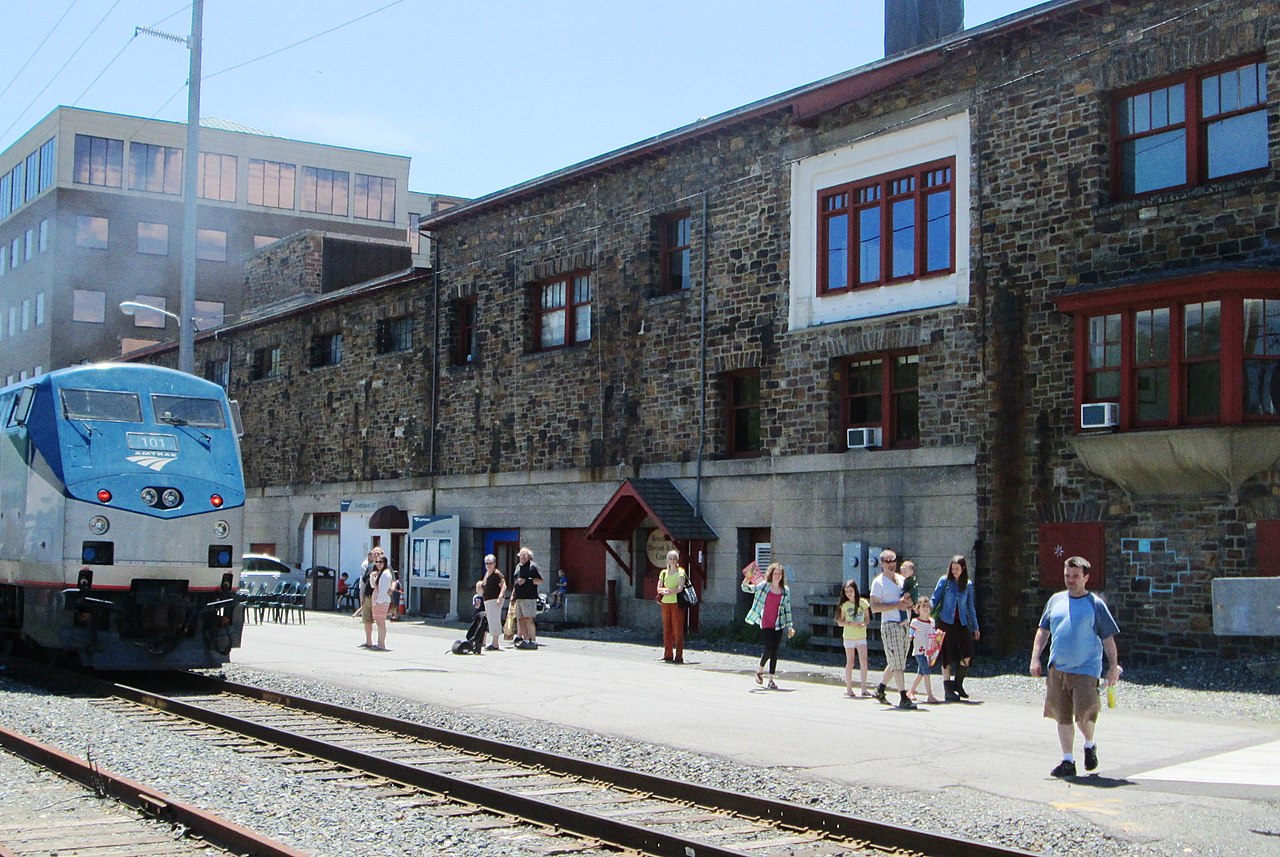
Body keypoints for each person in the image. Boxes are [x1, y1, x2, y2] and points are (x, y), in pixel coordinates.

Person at [1030, 556, 1122, 778]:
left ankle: (1089, 744)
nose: (1070, 580)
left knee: (1084, 715)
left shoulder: (1095, 605)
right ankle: (1067, 760)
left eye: (1075, 576)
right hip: (1058, 669)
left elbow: (1108, 638)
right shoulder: (1055, 601)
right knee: (1062, 716)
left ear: (1086, 578)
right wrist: (1035, 658)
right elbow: (1043, 631)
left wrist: (1112, 666)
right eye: (1067, 576)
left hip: (1086, 669)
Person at [870, 549, 916, 710]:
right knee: (898, 663)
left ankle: (880, 689)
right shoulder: (878, 582)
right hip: (891, 624)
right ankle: (903, 696)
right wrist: (895, 605)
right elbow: (874, 607)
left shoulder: (902, 580)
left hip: (905, 624)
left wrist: (911, 603)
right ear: (881, 563)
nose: (891, 564)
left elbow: (910, 598)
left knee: (897, 660)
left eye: (893, 560)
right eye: (887, 561)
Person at [931, 554, 981, 701]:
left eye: (957, 569)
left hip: (962, 623)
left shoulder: (968, 585)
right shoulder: (944, 581)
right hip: (945, 622)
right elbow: (935, 598)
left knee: (967, 653)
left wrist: (975, 627)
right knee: (946, 655)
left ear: (963, 568)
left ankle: (958, 684)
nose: (954, 571)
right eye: (952, 569)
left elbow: (970, 607)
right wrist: (926, 610)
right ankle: (948, 689)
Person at [742, 561, 795, 689]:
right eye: (775, 573)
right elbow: (747, 588)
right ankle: (760, 671)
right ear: (771, 574)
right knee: (769, 648)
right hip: (766, 621)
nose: (777, 576)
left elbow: (787, 609)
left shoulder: (785, 591)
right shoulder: (764, 586)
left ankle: (771, 680)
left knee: (775, 651)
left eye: (779, 574)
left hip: (779, 622)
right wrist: (746, 579)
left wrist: (790, 626)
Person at [835, 579, 871, 697]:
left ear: (855, 590)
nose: (849, 593)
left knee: (863, 661)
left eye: (851, 590)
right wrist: (850, 623)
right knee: (850, 662)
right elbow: (840, 622)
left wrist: (863, 624)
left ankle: (864, 688)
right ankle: (849, 688)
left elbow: (867, 618)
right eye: (846, 591)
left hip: (861, 636)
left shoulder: (863, 603)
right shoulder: (844, 605)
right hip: (849, 636)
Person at [908, 599, 943, 704]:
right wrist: (910, 637)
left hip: (928, 652)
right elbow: (911, 633)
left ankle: (911, 691)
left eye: (927, 606)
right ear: (918, 609)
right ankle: (930, 696)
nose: (926, 609)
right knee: (926, 671)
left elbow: (933, 634)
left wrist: (938, 634)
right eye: (923, 606)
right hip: (919, 651)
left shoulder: (932, 621)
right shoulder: (915, 622)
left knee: (921, 672)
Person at [656, 550, 687, 664]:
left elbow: (680, 588)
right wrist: (664, 591)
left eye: (674, 558)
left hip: (676, 603)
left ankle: (679, 656)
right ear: (667, 560)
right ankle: (667, 654)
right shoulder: (663, 573)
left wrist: (670, 591)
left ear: (677, 560)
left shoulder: (681, 572)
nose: (672, 560)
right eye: (670, 558)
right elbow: (658, 588)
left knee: (677, 629)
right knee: (667, 629)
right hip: (665, 603)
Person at [511, 547, 543, 649]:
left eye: (524, 556)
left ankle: (533, 641)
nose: (522, 557)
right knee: (520, 620)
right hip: (519, 597)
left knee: (529, 619)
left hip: (529, 597)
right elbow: (515, 581)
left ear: (529, 557)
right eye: (520, 556)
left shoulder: (533, 567)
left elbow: (540, 580)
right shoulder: (518, 567)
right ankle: (525, 640)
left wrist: (527, 581)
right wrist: (513, 595)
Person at [480, 554, 506, 651]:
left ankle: (495, 643)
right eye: (486, 563)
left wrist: (499, 597)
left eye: (490, 563)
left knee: (494, 619)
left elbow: (503, 586)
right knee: (490, 620)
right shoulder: (487, 573)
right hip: (488, 600)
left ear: (494, 563)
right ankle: (491, 642)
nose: (488, 565)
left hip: (495, 600)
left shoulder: (497, 574)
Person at [368, 553, 393, 650]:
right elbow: (373, 586)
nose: (378, 564)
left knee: (381, 622)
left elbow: (383, 590)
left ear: (385, 563)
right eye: (376, 562)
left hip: (382, 601)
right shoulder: (380, 573)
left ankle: (381, 644)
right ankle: (379, 642)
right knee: (378, 622)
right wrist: (372, 576)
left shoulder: (386, 574)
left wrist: (378, 601)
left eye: (380, 562)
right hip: (378, 600)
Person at [355, 563, 375, 648]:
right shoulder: (369, 567)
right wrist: (362, 596)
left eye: (379, 554)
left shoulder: (386, 568)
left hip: (378, 599)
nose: (376, 556)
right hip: (367, 597)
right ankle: (368, 641)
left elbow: (392, 581)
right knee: (367, 620)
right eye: (375, 554)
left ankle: (381, 644)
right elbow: (364, 582)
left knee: (380, 622)